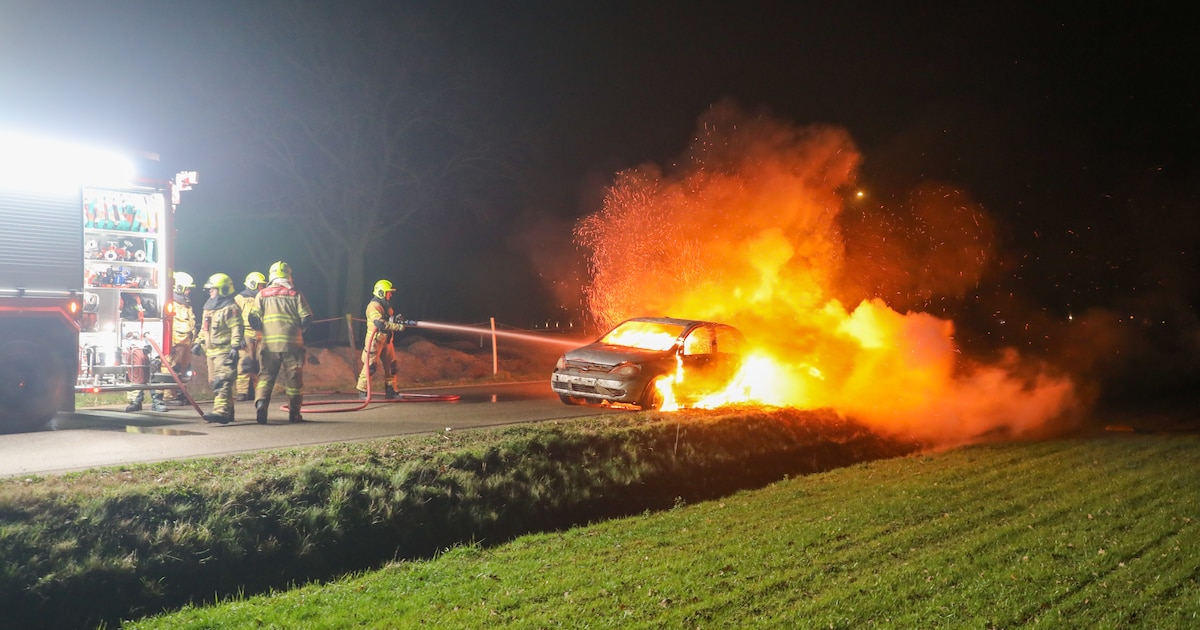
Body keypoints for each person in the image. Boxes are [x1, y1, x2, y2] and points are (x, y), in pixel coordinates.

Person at [249, 261, 313, 424]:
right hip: (293, 345)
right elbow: (307, 318)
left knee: (266, 376)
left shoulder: (261, 295)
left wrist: (263, 330)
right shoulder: (295, 294)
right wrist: (299, 330)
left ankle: (261, 405)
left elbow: (253, 318)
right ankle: (294, 413)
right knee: (293, 380)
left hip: (269, 345)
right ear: (288, 276)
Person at [126, 271, 195, 412]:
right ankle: (136, 401)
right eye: (187, 288)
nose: (188, 292)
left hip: (177, 344)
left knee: (163, 372)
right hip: (165, 344)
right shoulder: (170, 304)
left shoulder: (185, 305)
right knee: (140, 369)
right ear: (179, 287)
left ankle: (159, 399)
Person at [193, 273, 244, 424]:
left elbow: (236, 328)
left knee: (222, 381)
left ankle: (221, 411)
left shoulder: (231, 308)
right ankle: (228, 412)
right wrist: (198, 342)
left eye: (213, 289)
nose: (210, 291)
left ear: (222, 289)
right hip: (211, 353)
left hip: (225, 351)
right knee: (214, 382)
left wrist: (235, 346)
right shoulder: (209, 308)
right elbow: (205, 328)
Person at [356, 279, 406, 399]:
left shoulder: (386, 305)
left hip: (387, 341)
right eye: (389, 292)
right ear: (381, 292)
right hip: (375, 341)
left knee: (392, 366)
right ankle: (363, 391)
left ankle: (391, 390)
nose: (391, 294)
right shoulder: (373, 306)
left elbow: (388, 320)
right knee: (370, 366)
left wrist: (396, 320)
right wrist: (397, 326)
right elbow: (380, 323)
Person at [234, 271, 266, 401]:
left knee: (258, 364)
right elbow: (235, 318)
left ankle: (255, 391)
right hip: (246, 334)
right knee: (245, 364)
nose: (262, 288)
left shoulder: (262, 298)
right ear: (253, 284)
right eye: (260, 285)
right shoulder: (240, 298)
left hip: (260, 334)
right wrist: (239, 336)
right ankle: (242, 391)